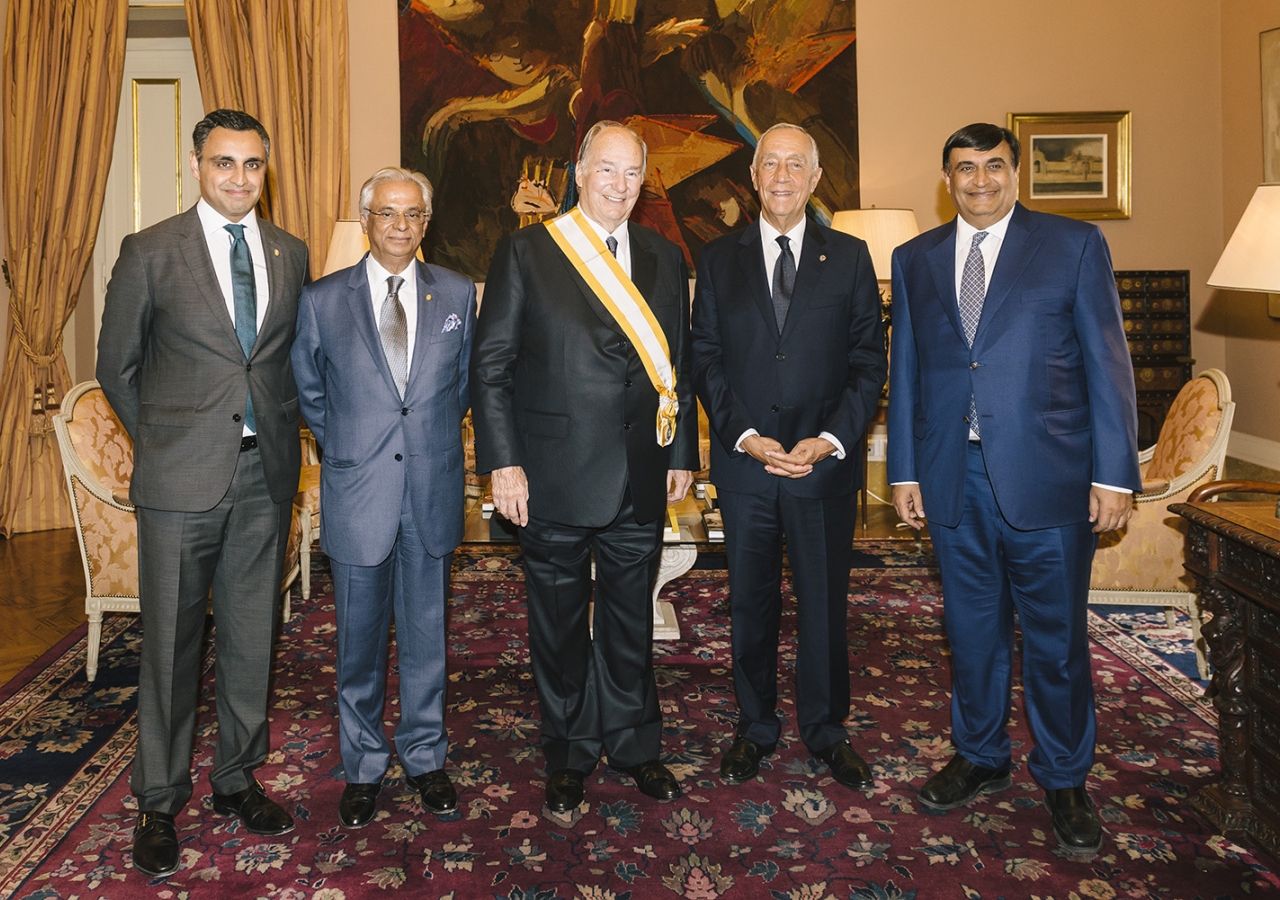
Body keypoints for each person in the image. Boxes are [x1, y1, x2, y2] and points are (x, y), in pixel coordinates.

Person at [887, 122, 1141, 857]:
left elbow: (1108, 364)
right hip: (950, 479)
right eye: (964, 169)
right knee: (970, 633)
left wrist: (1114, 474)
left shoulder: (1073, 245)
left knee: (1055, 643)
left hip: (1050, 479)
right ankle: (980, 755)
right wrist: (904, 470)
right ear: (947, 178)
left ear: (1015, 172)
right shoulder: (916, 259)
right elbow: (908, 374)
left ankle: (1065, 777)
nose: (979, 181)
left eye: (993, 166)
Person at [96, 109, 309, 878]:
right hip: (180, 480)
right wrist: (162, 444)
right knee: (171, 648)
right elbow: (116, 364)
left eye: (253, 165)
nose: (240, 179)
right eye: (225, 163)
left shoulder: (290, 252)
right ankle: (158, 801)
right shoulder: (152, 250)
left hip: (265, 476)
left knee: (253, 636)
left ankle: (236, 779)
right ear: (196, 165)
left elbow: (282, 365)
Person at [470, 120, 698, 813]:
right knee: (561, 623)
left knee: (633, 618)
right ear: (578, 172)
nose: (621, 187)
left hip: (639, 473)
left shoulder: (662, 257)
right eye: (608, 171)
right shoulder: (528, 252)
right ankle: (567, 749)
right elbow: (492, 367)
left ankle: (633, 742)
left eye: (633, 174)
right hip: (552, 475)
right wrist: (503, 465)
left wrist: (681, 453)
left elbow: (676, 372)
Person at [691, 122, 887, 790]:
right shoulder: (718, 259)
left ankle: (828, 730)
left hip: (822, 470)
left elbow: (869, 364)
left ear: (814, 179)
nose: (780, 176)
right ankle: (755, 728)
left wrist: (829, 440)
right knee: (750, 605)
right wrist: (744, 434)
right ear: (753, 177)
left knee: (825, 606)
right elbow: (706, 359)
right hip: (748, 467)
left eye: (794, 165)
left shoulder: (853, 257)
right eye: (768, 163)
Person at [292, 168, 475, 828]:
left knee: (428, 641)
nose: (400, 225)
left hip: (429, 489)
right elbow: (310, 391)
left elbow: (461, 388)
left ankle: (425, 757)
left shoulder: (456, 293)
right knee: (359, 645)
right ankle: (364, 765)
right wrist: (348, 444)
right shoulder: (322, 300)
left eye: (413, 214)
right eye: (387, 213)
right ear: (365, 219)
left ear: (427, 223)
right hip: (359, 491)